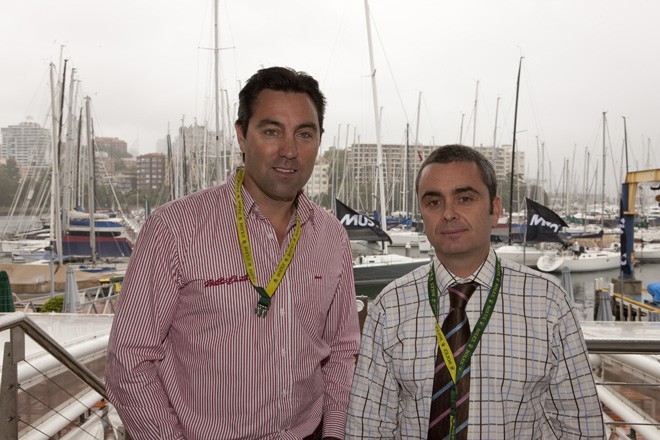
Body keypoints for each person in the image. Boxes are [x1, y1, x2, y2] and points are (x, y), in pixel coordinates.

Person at [106, 66, 360, 440]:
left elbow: (342, 349)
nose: (289, 151)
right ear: (242, 135)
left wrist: (334, 433)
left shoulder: (331, 236)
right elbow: (130, 359)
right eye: (271, 131)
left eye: (304, 134)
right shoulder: (175, 228)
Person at [346, 145, 605, 438]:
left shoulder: (549, 303)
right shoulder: (390, 307)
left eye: (464, 198)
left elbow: (581, 426)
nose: (448, 214)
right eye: (434, 203)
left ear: (495, 209)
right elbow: (367, 427)